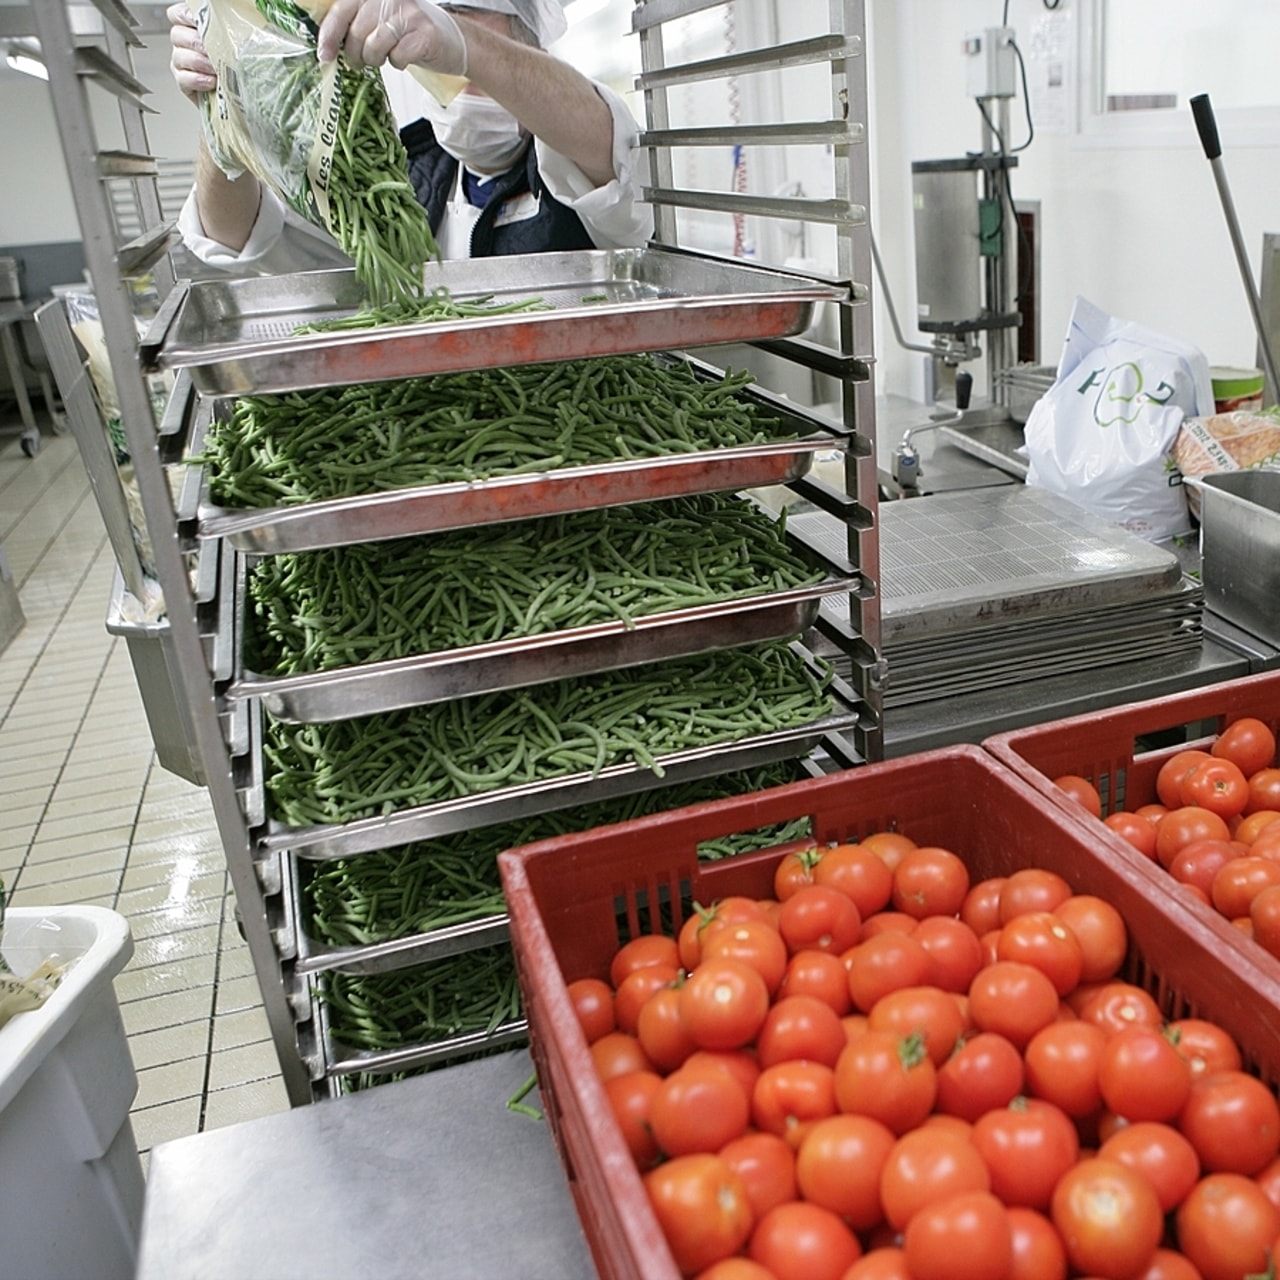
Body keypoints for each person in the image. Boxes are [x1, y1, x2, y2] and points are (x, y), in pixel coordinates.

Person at [166, 0, 652, 273]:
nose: (437, 68)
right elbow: (239, 238)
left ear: (528, 44)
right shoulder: (400, 169)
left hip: (575, 436)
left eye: (463, 21)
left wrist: (468, 47)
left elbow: (608, 141)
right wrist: (221, 107)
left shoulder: (571, 159)